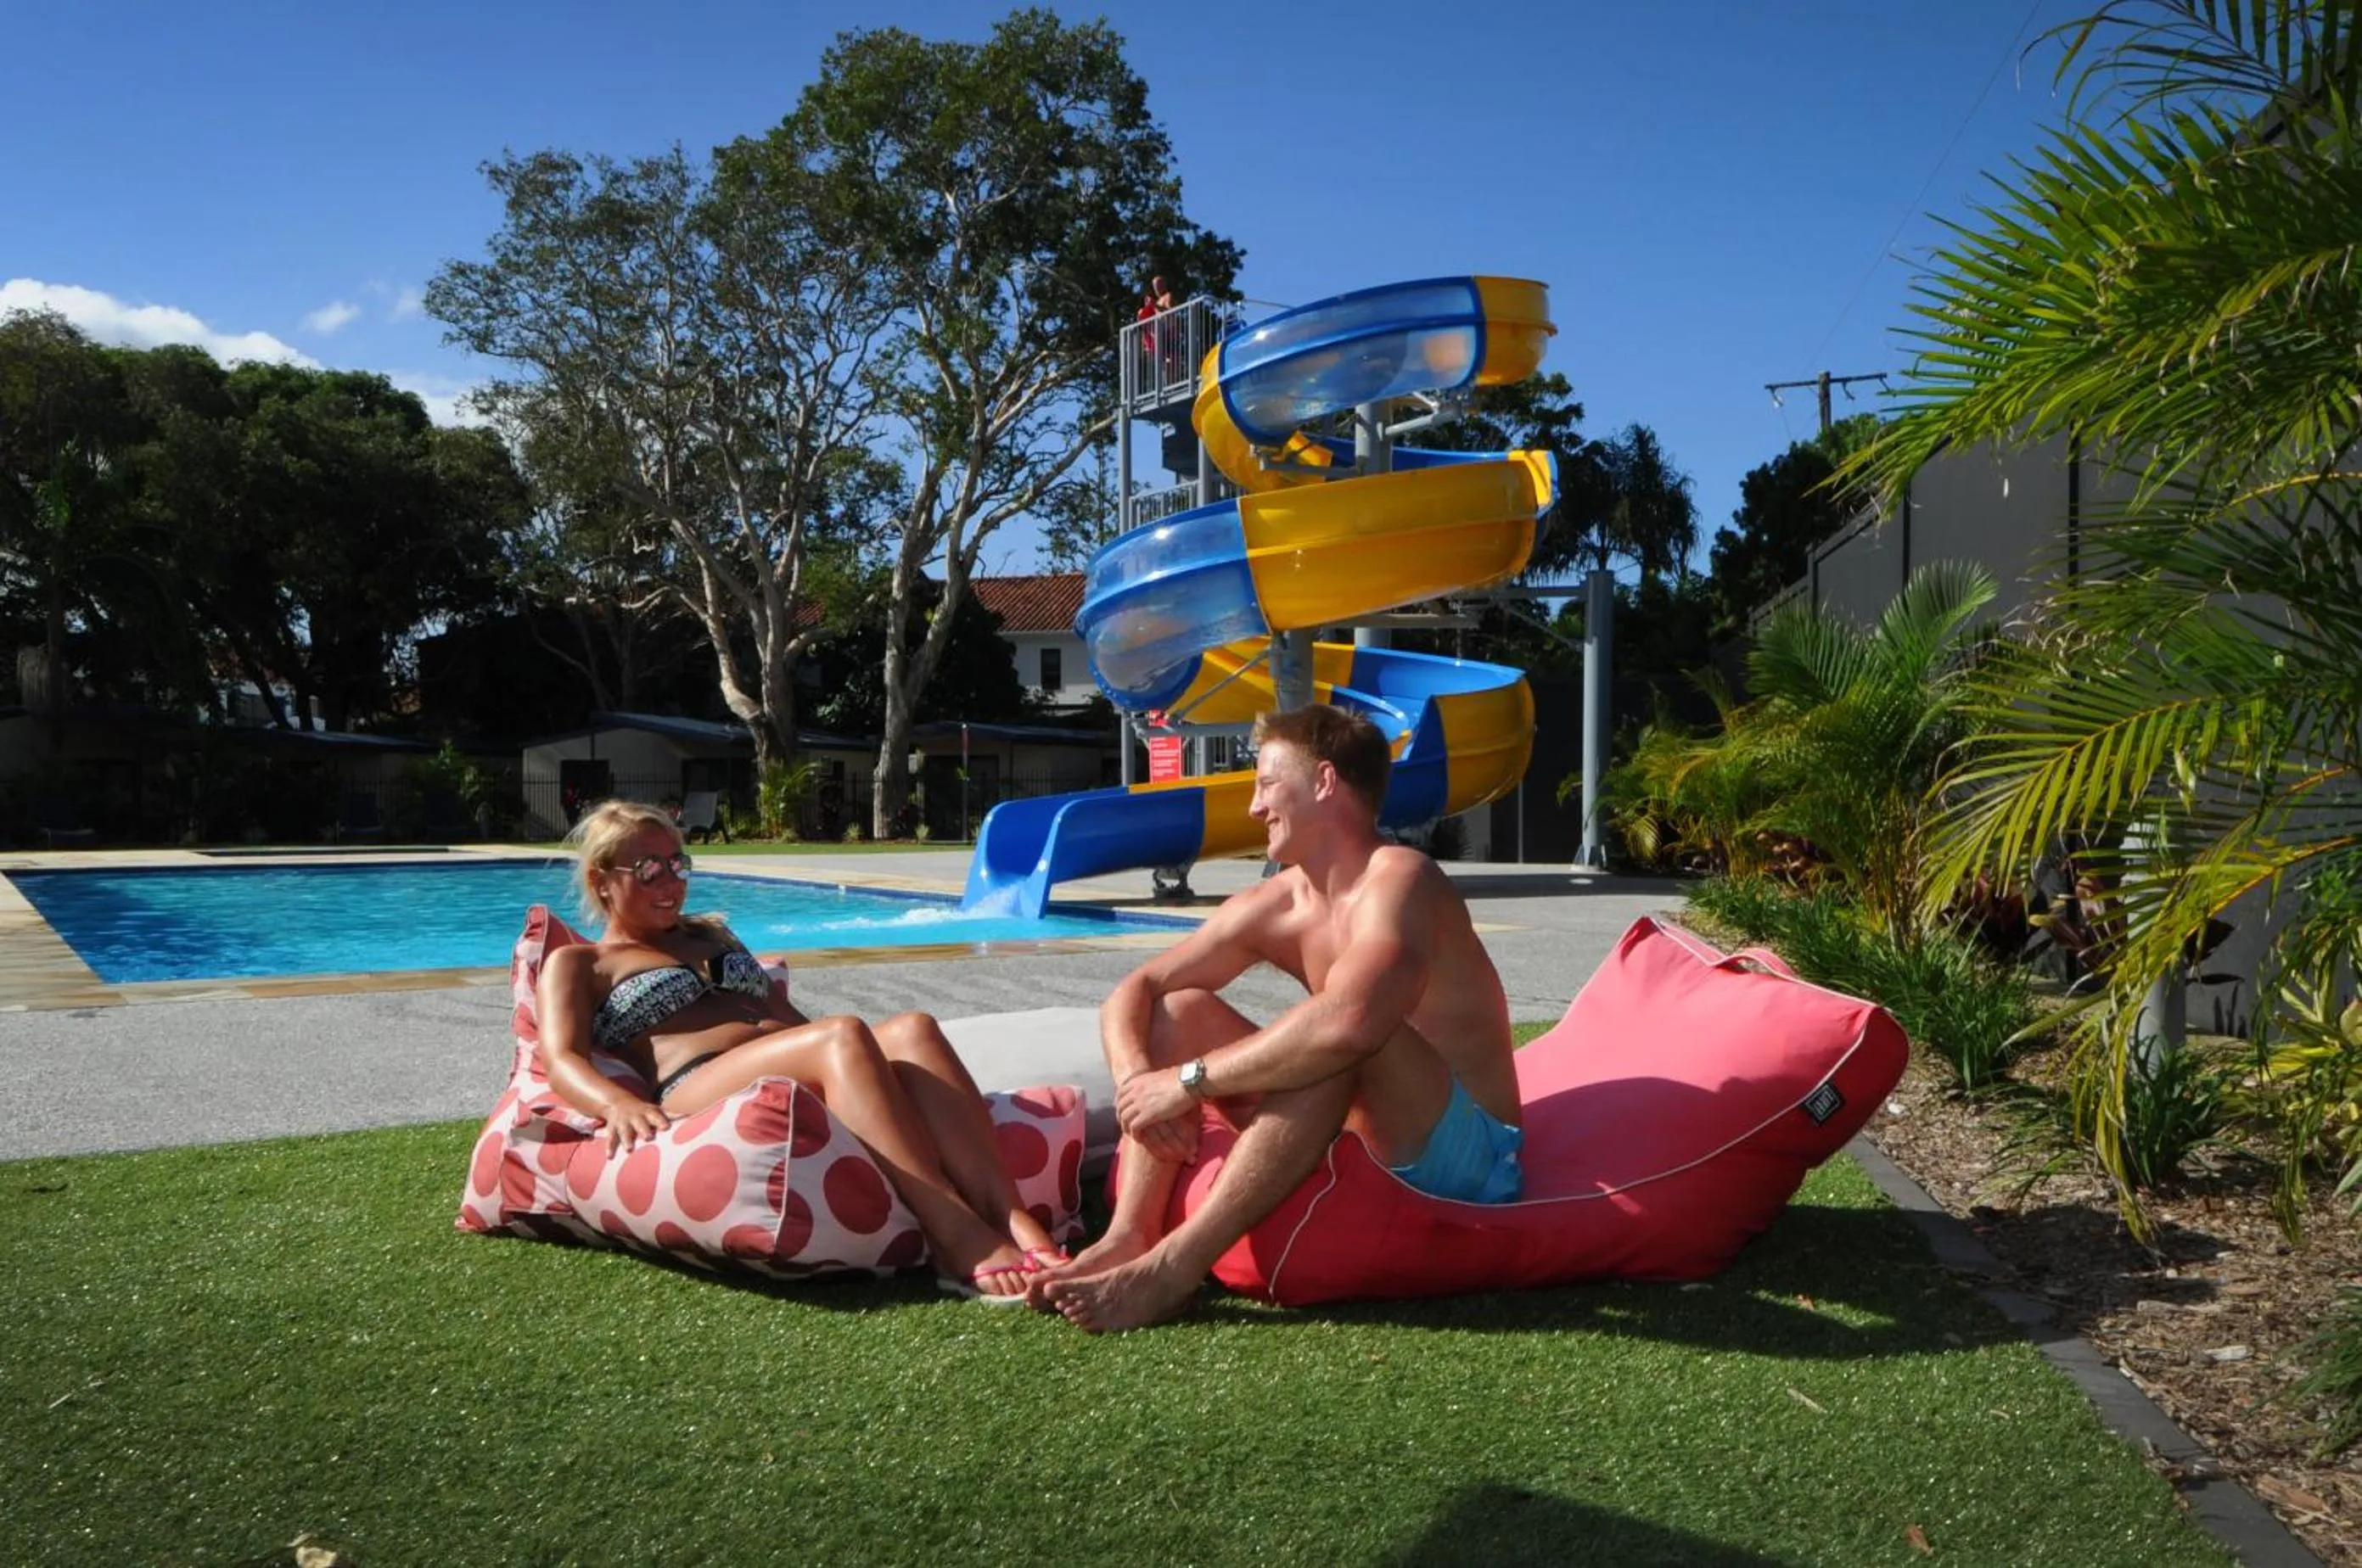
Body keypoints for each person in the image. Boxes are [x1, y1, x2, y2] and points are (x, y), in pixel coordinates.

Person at [1032, 703, 1523, 1331]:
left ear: (1323, 782)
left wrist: (1184, 1082)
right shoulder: (1277, 902)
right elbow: (1136, 989)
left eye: (1266, 784)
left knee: (1341, 1034)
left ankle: (1173, 1270)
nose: (1254, 808)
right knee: (1178, 1009)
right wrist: (1137, 1086)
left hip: (1467, 1158)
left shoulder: (1402, 878)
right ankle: (1130, 1235)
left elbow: (1351, 1023)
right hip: (1351, 1118)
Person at [536, 799, 1063, 1302]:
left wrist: (858, 1070)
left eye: (679, 863)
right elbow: (561, 1057)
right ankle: (954, 1234)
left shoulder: (713, 936)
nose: (672, 881)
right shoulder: (582, 963)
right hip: (696, 1083)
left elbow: (789, 1021)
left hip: (778, 1058)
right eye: (649, 869)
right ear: (601, 881)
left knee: (913, 1029)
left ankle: (1013, 1216)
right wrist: (615, 1104)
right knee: (842, 1033)